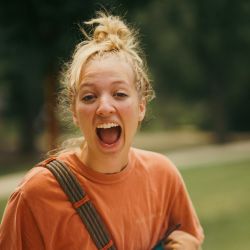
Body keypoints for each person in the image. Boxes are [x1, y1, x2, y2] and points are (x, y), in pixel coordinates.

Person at [0, 12, 204, 250]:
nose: (105, 107)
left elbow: (188, 233)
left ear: (141, 107)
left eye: (119, 94)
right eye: (89, 97)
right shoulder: (35, 195)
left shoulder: (163, 176)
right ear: (75, 112)